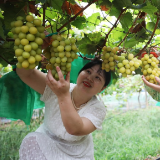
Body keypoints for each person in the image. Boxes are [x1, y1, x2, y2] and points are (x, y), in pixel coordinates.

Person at [17, 58, 111, 160]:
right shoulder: (57, 87)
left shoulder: (98, 109)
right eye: (88, 71)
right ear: (80, 72)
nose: (90, 78)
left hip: (77, 154)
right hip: (46, 143)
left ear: (102, 88)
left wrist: (63, 95)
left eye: (98, 78)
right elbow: (26, 74)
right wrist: (35, 50)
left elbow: (75, 129)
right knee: (31, 141)